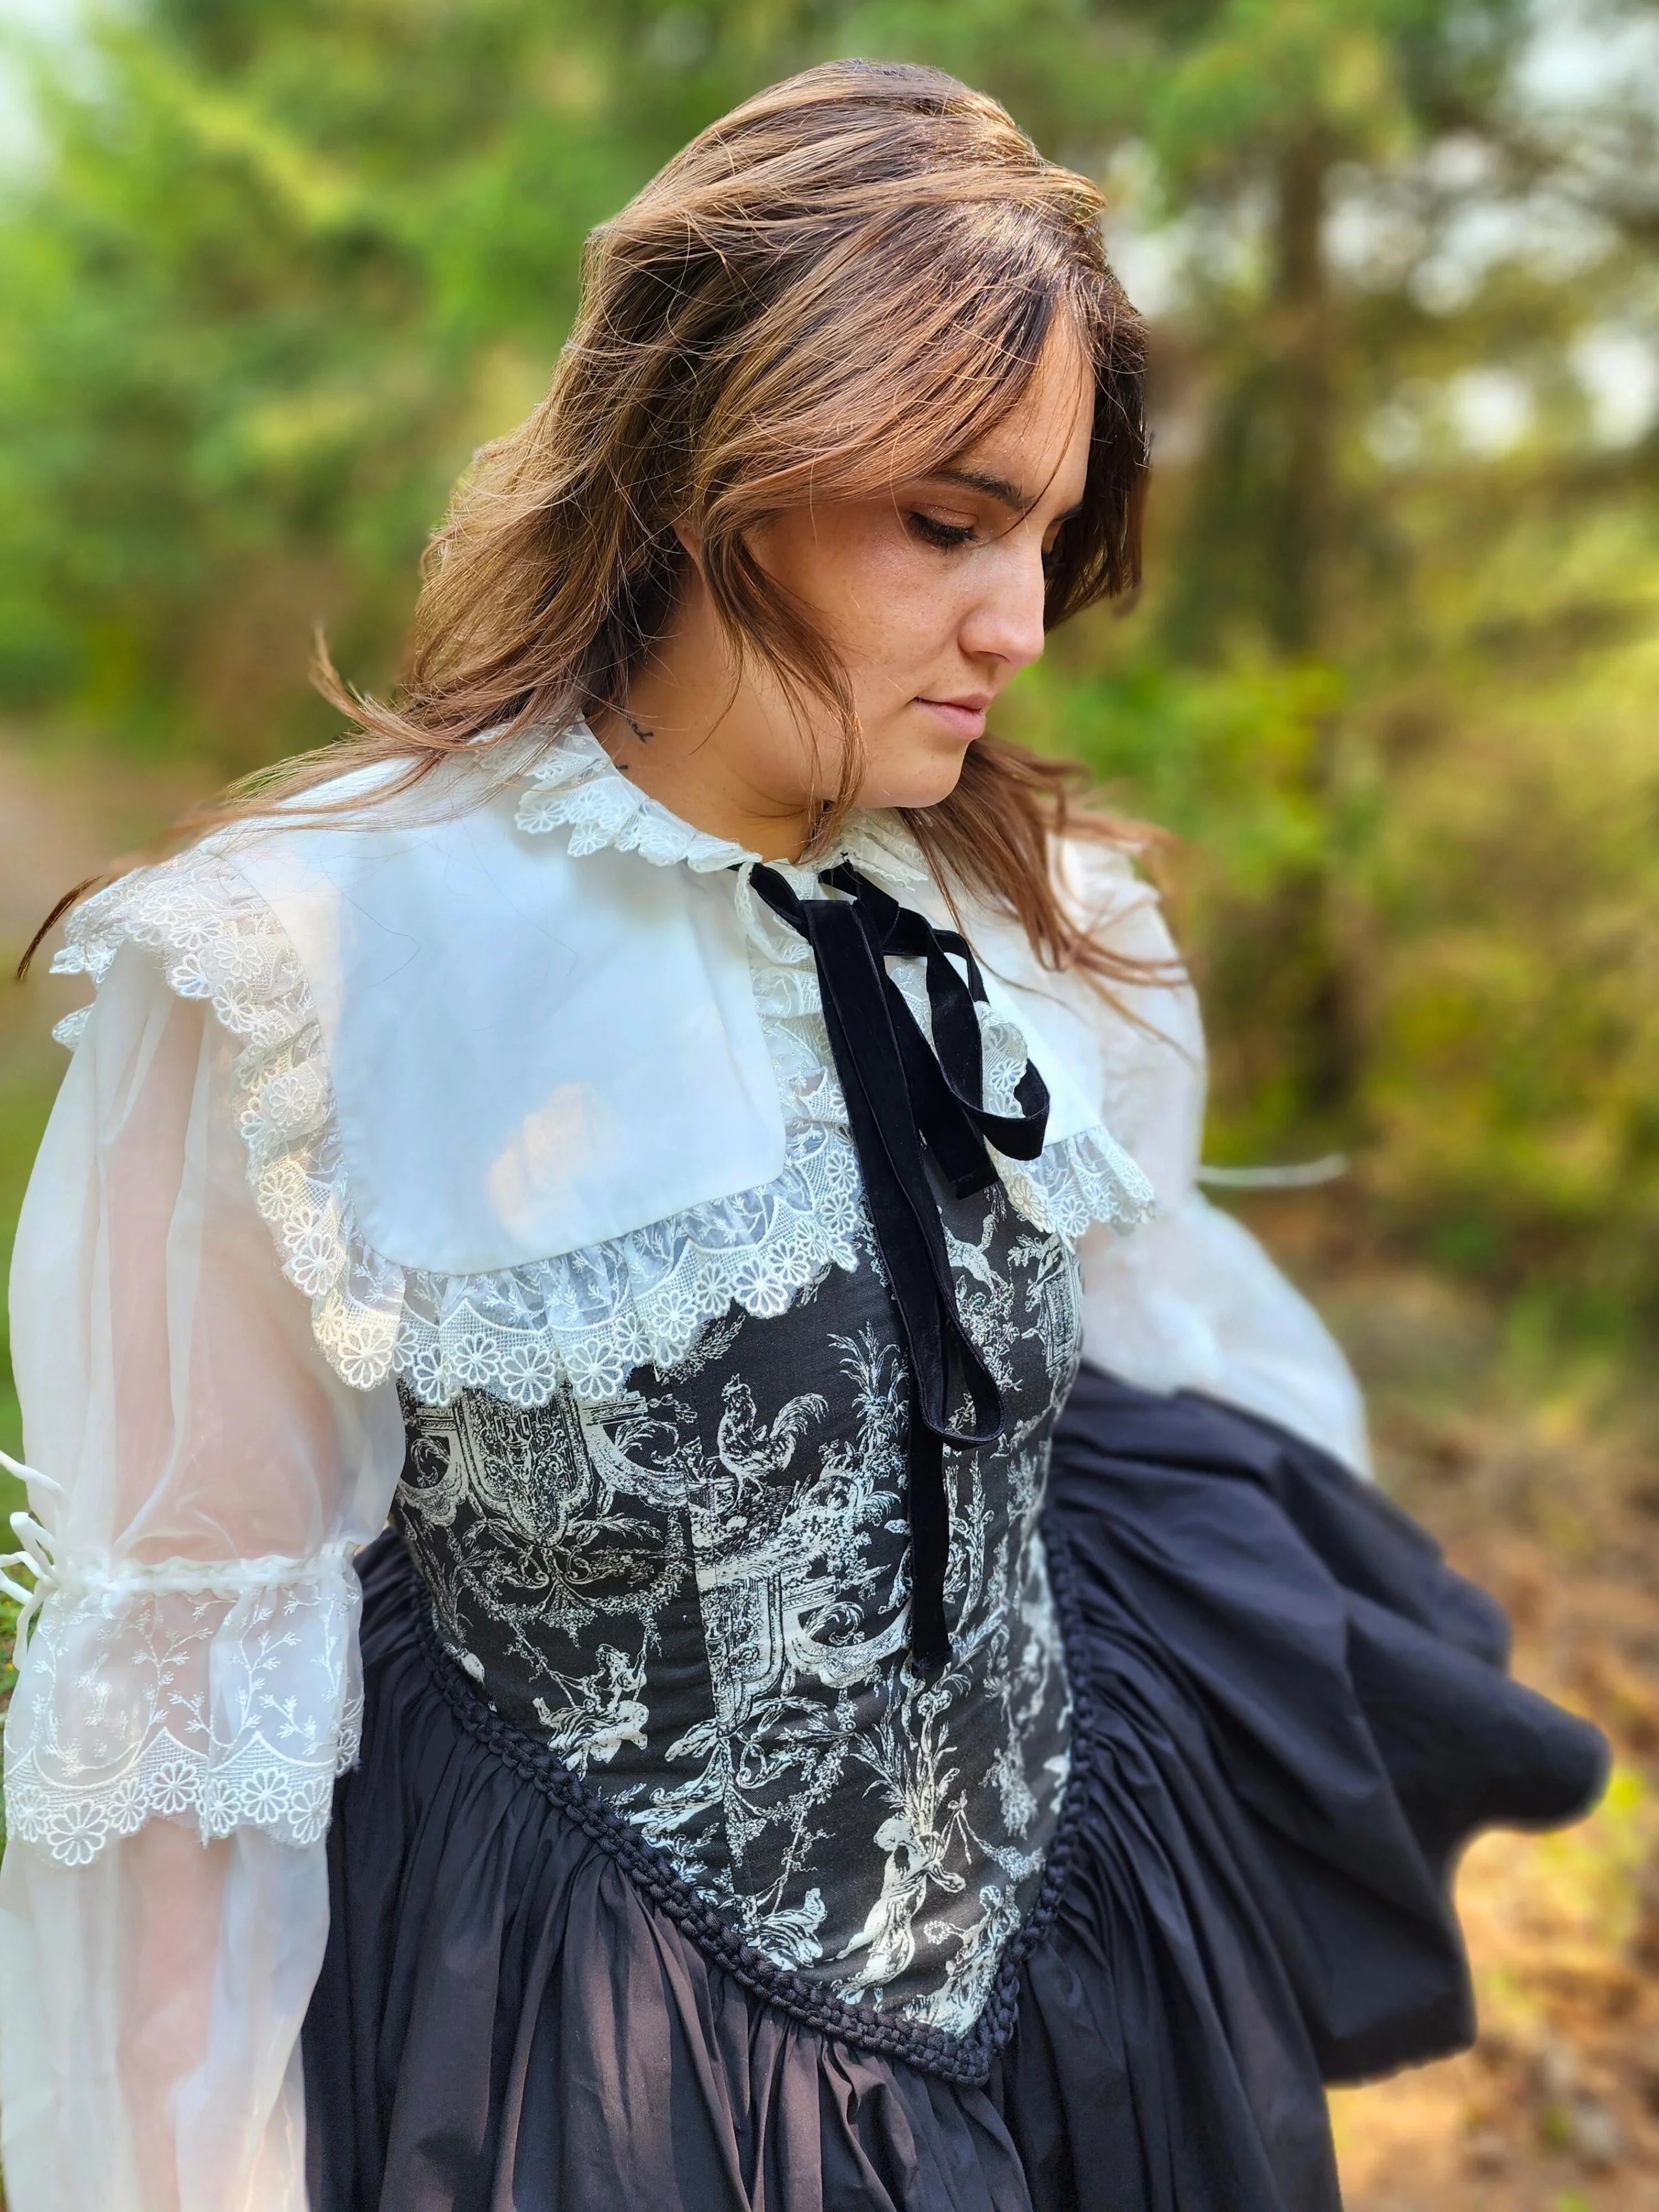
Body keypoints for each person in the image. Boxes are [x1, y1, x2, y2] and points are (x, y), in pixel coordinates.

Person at [0, 59, 1604, 2212]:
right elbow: (192, 1740)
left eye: (1045, 535)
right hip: (585, 2089)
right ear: (700, 465)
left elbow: (1156, 1386)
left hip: (1082, 2035)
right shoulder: (313, 971)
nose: (1018, 628)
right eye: (947, 524)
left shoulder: (1049, 925)